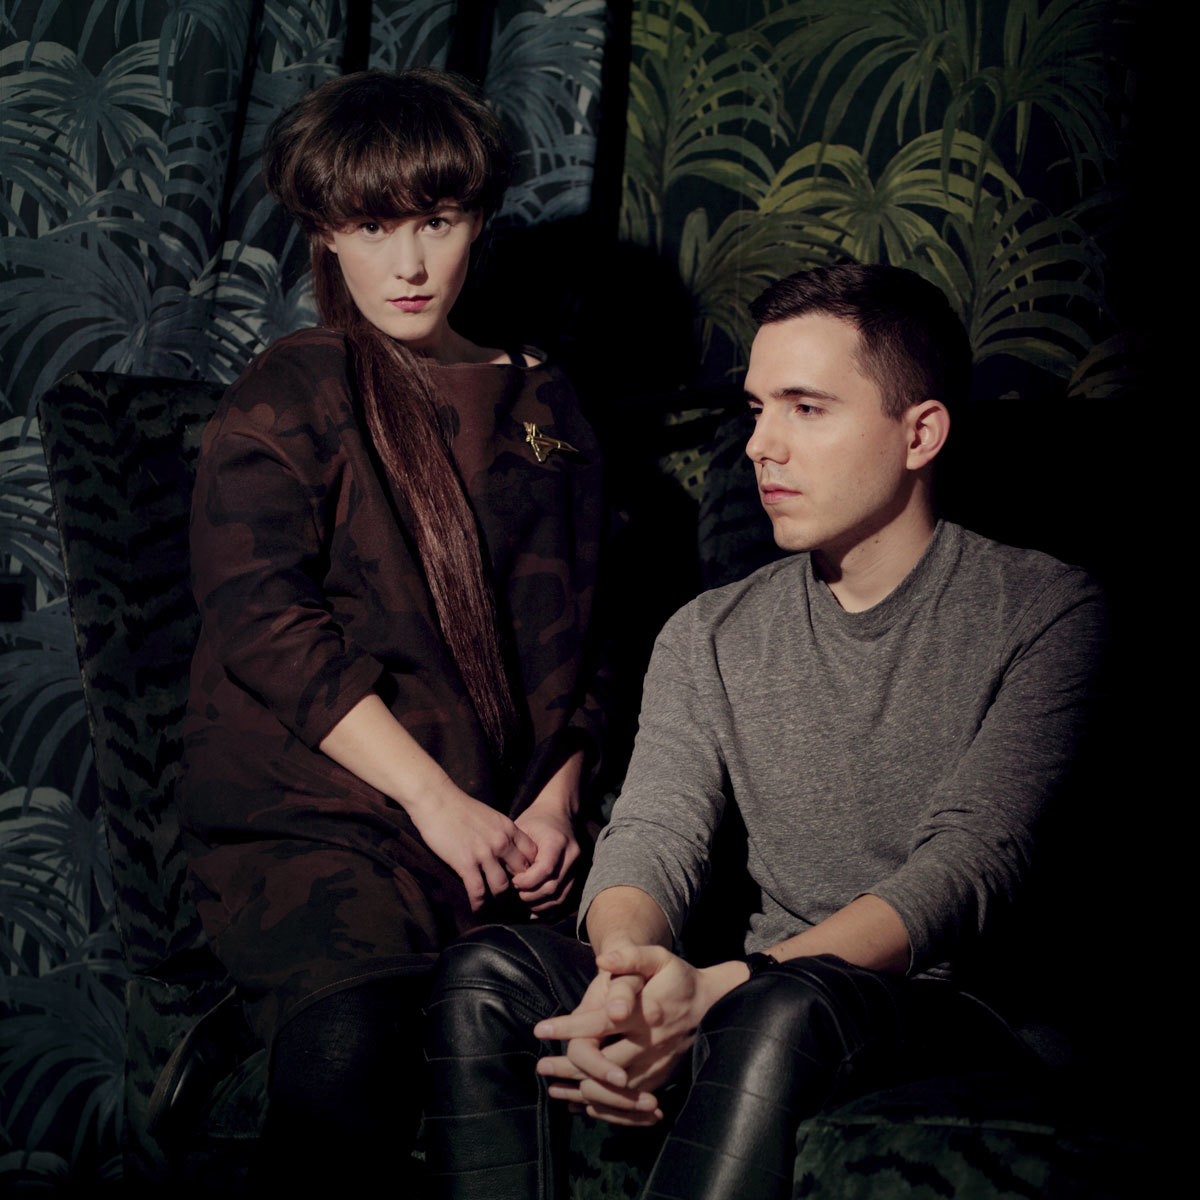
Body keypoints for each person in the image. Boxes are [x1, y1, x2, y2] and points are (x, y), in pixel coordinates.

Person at [422, 263, 1107, 1199]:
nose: (759, 445)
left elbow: (970, 867)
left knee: (779, 1008)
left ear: (920, 433)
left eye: (805, 409)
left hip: (956, 1009)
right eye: (756, 409)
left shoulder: (1046, 611)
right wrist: (625, 972)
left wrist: (723, 986)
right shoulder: (709, 632)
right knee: (488, 972)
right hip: (764, 989)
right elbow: (654, 832)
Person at [177, 68, 606, 1183]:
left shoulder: (546, 400)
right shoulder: (291, 391)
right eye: (374, 227)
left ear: (478, 221)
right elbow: (261, 621)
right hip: (322, 825)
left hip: (506, 829)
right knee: (356, 1047)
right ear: (326, 231)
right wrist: (432, 800)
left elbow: (592, 631)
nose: (409, 264)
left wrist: (556, 801)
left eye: (438, 221)